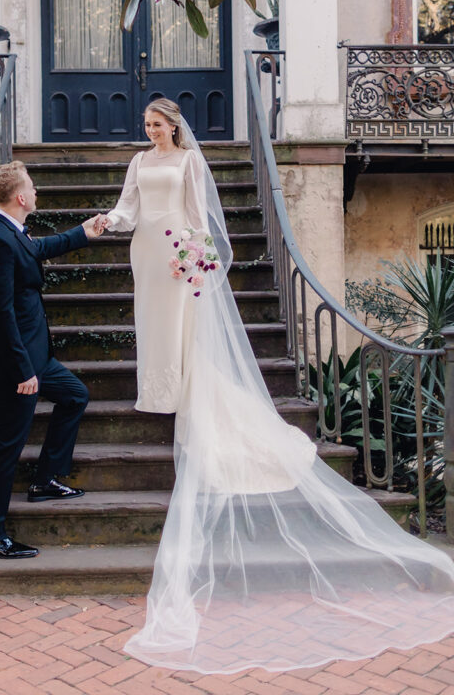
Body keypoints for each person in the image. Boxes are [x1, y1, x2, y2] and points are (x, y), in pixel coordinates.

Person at [102, 97, 454, 674]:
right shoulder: (139, 162)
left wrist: (197, 258)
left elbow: (203, 221)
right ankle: (159, 390)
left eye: (158, 125)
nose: (151, 132)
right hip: (146, 252)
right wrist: (104, 223)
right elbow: (127, 209)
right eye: (147, 126)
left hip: (176, 252)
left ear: (174, 127)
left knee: (184, 332)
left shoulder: (190, 162)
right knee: (155, 328)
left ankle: (190, 392)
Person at [0, 160, 105, 560]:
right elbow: (0, 313)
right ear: (21, 197)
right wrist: (23, 370)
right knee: (6, 448)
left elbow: (39, 249)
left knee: (74, 396)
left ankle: (45, 480)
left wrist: (84, 232)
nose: (37, 192)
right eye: (32, 187)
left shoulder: (13, 231)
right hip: (17, 364)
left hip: (34, 357)